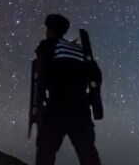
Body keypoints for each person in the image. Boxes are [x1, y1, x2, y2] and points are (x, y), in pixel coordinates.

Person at [34, 14, 102, 165]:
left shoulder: (49, 46)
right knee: (88, 152)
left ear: (51, 30)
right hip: (81, 108)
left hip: (57, 107)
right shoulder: (81, 51)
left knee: (46, 150)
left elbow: (42, 77)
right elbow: (96, 74)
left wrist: (39, 107)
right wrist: (92, 97)